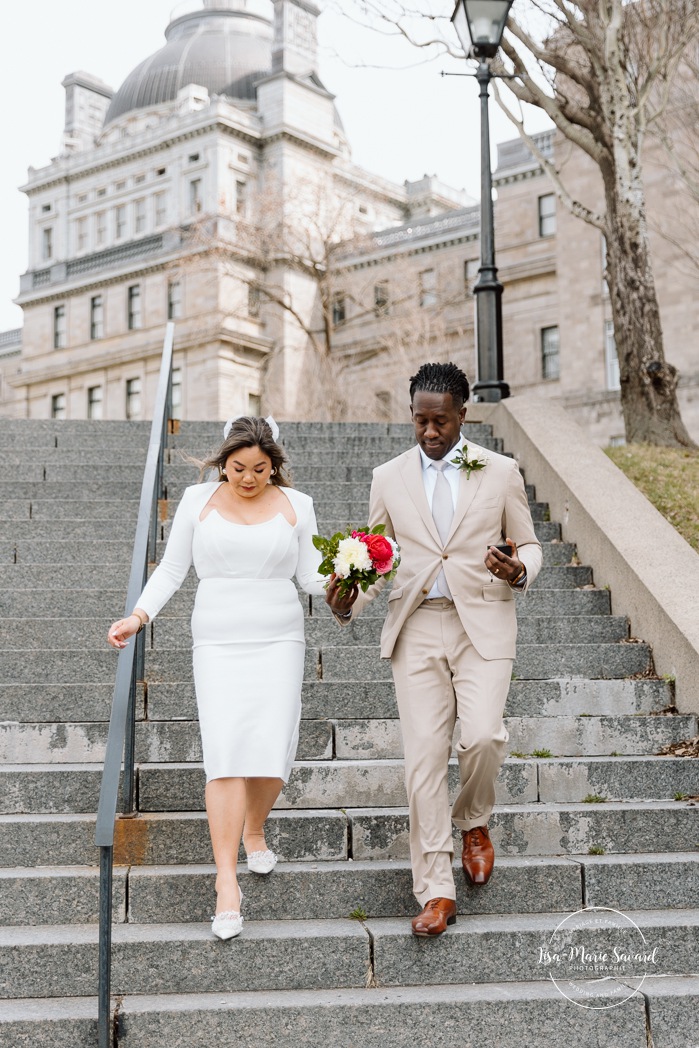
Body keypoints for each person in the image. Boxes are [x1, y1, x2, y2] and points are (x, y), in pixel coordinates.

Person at [326, 362, 542, 937]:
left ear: (462, 415)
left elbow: (529, 541)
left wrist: (519, 568)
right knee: (423, 760)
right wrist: (348, 599)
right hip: (417, 627)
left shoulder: (500, 472)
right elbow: (377, 557)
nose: (428, 432)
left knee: (484, 736)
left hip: (484, 625)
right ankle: (436, 890)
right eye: (419, 420)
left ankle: (474, 819)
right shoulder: (388, 477)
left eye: (440, 421)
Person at [107, 416, 327, 941]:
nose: (247, 478)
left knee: (273, 752)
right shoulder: (194, 500)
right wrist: (139, 616)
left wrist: (357, 575)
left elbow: (313, 577)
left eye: (259, 468)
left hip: (279, 637)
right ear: (222, 463)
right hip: (217, 639)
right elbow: (172, 568)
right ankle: (226, 880)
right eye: (236, 468)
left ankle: (255, 828)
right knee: (225, 753)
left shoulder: (299, 506)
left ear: (275, 465)